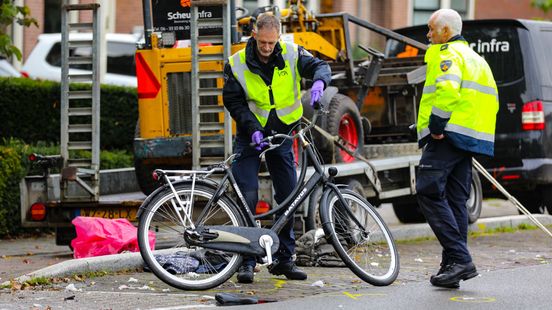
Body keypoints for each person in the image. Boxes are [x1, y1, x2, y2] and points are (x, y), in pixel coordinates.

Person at [222, 13, 331, 284]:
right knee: (246, 196)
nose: (267, 48)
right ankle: (246, 262)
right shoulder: (236, 63)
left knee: (288, 195)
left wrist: (319, 82)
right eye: (263, 43)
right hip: (251, 135)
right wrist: (252, 128)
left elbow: (320, 66)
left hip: (283, 132)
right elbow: (233, 101)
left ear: (278, 38)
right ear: (255, 35)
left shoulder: (292, 53)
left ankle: (284, 259)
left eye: (272, 43)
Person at [415, 9, 498, 289]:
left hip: (447, 136)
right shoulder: (475, 58)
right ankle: (451, 265)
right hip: (467, 138)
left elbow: (447, 90)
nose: (428, 35)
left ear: (446, 32)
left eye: (431, 29)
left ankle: (460, 259)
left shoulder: (446, 52)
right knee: (455, 200)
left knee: (427, 188)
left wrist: (436, 126)